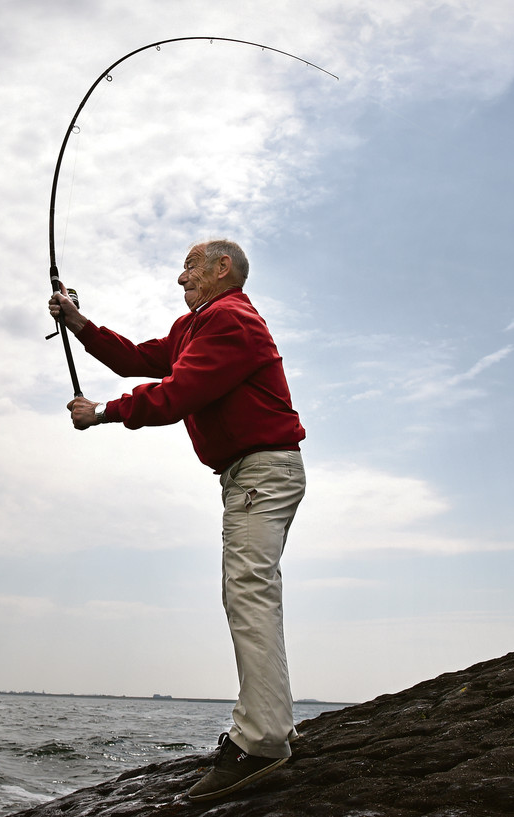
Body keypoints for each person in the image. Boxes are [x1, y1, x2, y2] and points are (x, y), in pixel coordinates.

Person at [48, 239, 306, 802]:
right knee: (250, 593)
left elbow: (178, 395)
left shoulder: (232, 320)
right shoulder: (195, 327)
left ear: (222, 269)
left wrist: (103, 412)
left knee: (248, 593)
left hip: (262, 471)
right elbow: (136, 358)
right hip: (249, 474)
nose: (179, 277)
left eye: (190, 266)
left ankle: (262, 742)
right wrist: (77, 320)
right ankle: (268, 727)